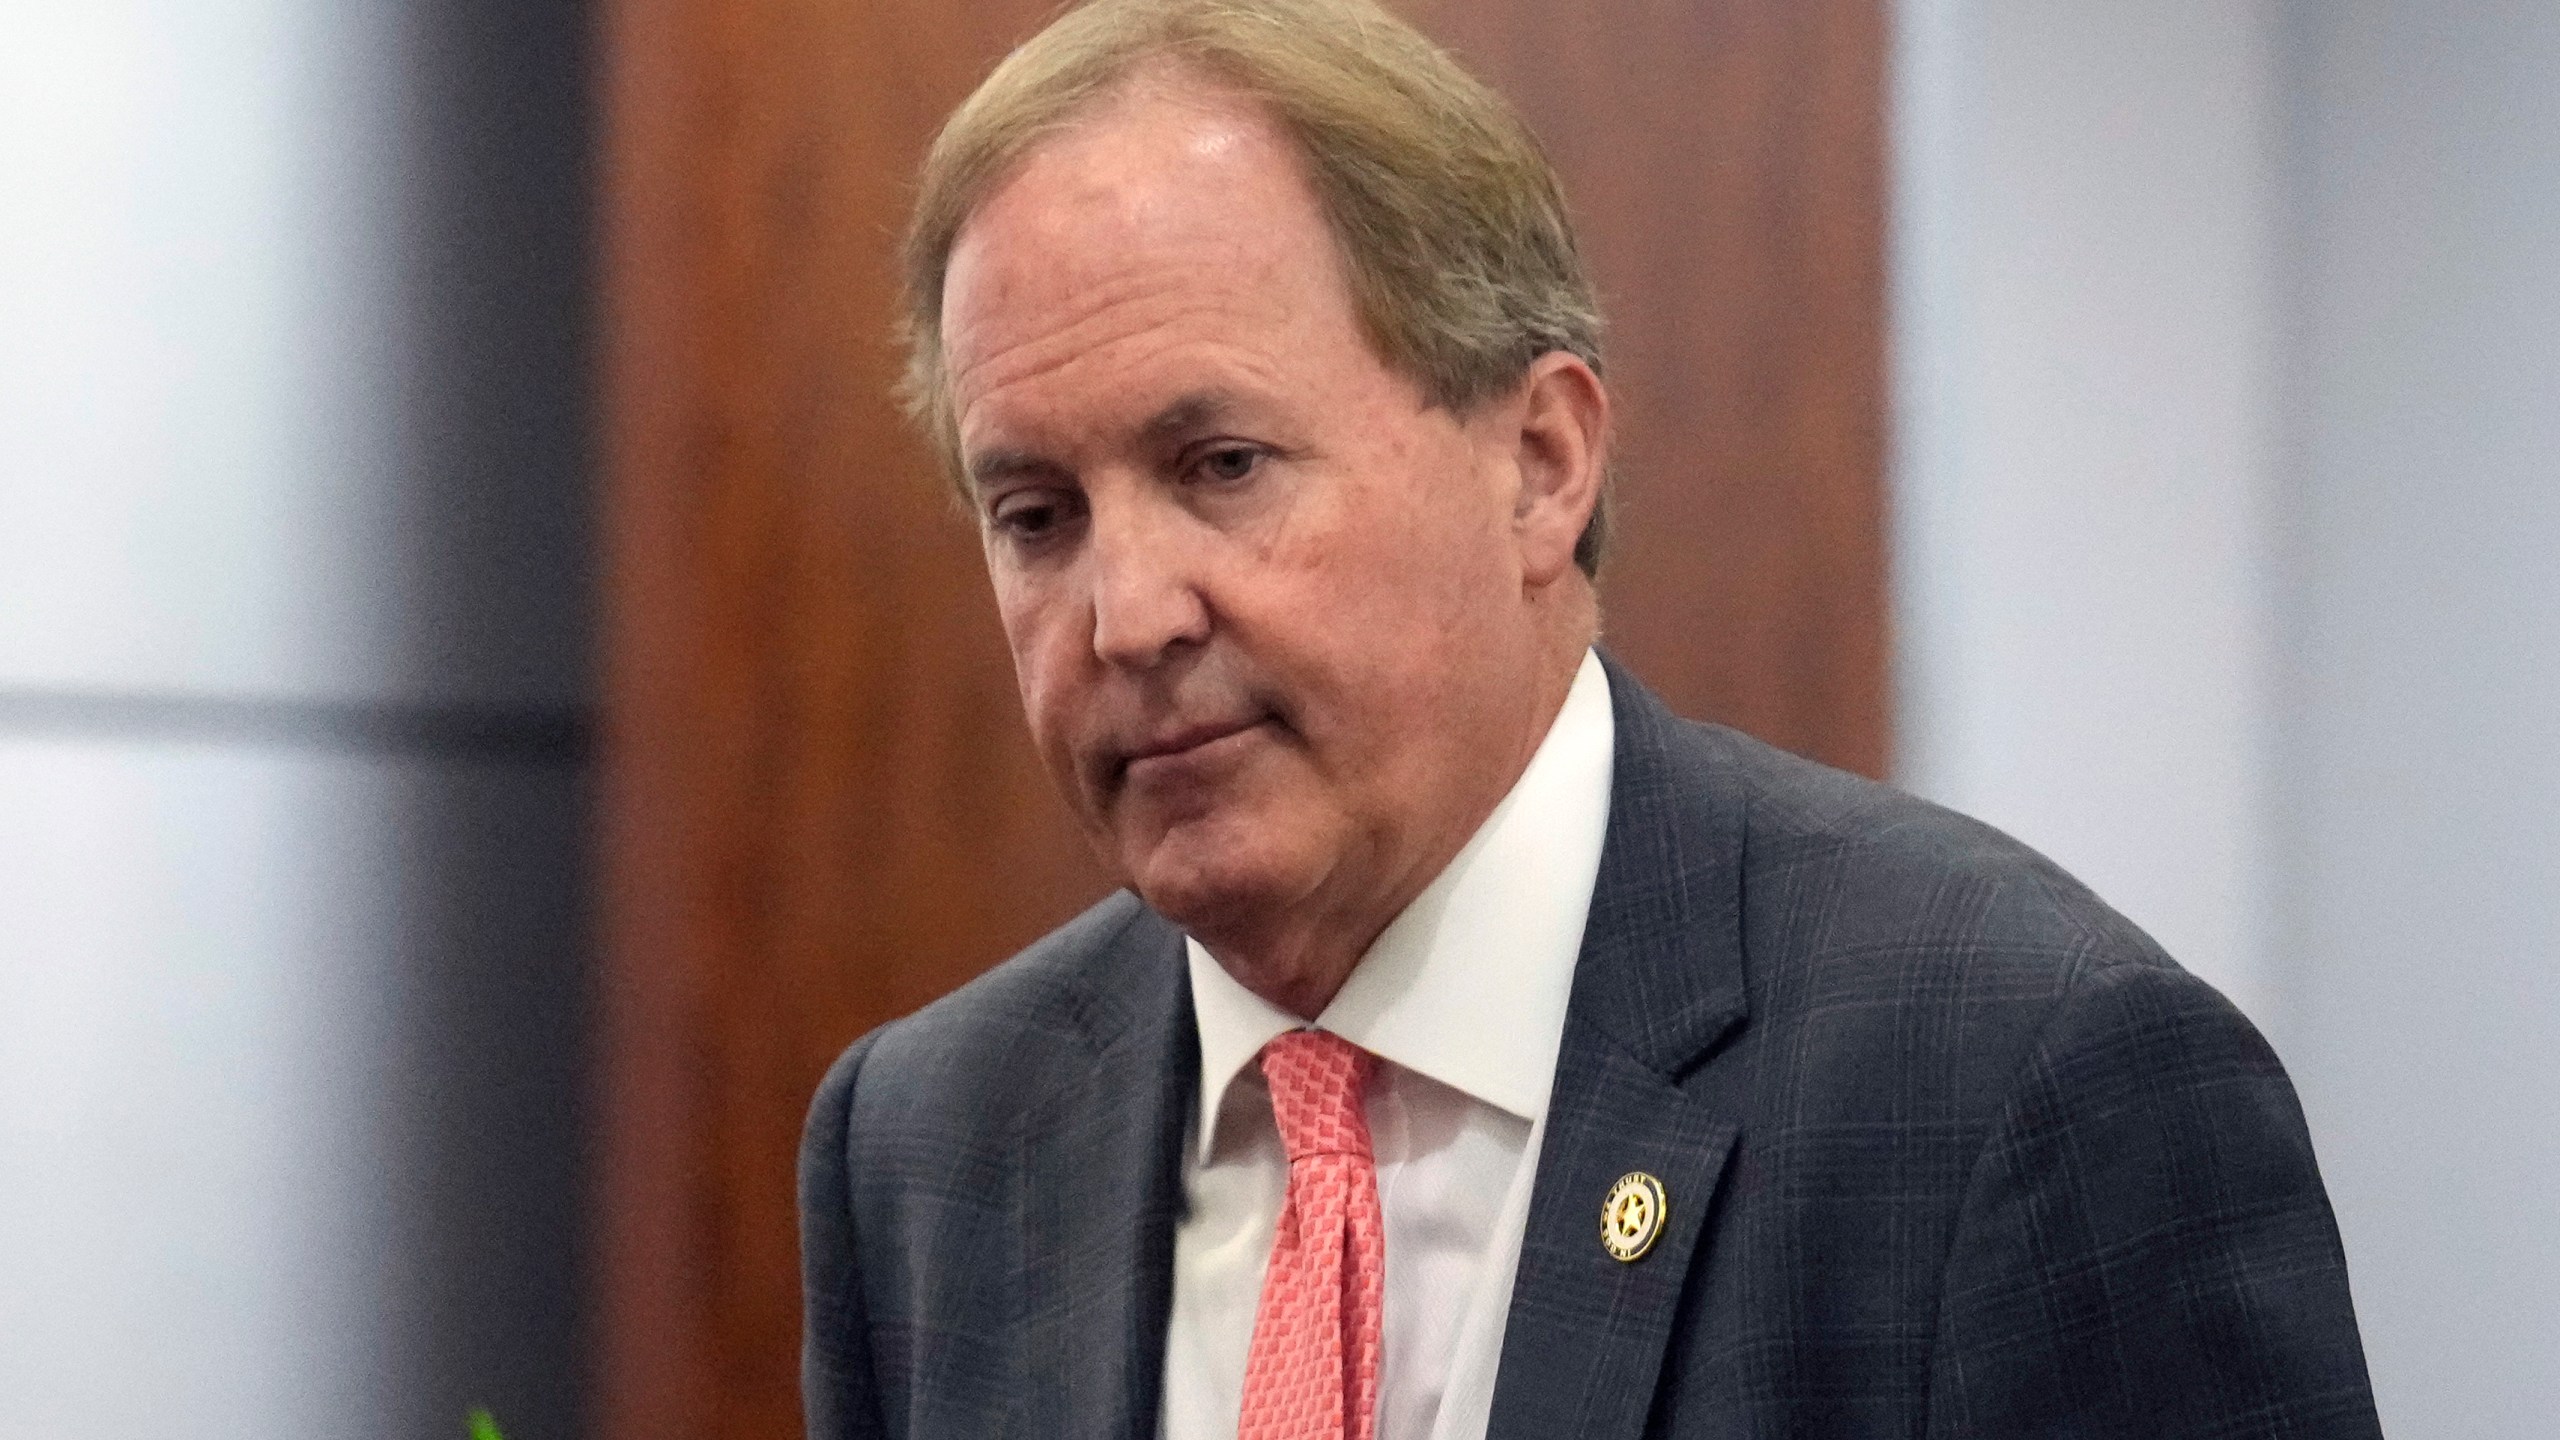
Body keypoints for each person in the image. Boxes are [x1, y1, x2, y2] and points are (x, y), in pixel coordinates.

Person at [798, 0, 2383, 1435]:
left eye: (1224, 467)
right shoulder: (932, 1149)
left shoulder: (2013, 1084)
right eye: (1037, 514)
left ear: (1541, 463)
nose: (1128, 613)